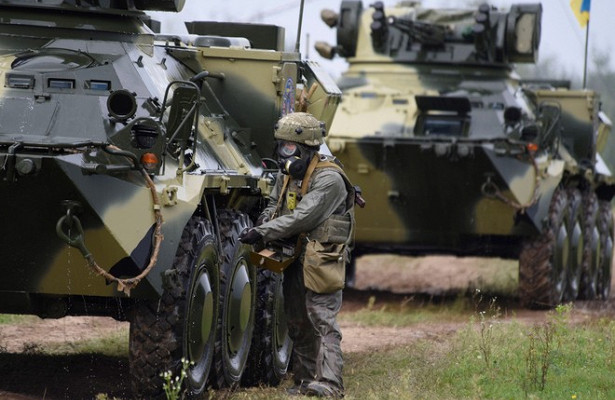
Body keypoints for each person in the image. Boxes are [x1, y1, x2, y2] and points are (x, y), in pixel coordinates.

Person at [239, 112, 356, 398]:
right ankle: (305, 380)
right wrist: (264, 224)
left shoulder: (329, 179)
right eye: (281, 146)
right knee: (297, 319)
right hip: (296, 255)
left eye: (289, 148)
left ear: (307, 149)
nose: (283, 154)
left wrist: (264, 233)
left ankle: (330, 383)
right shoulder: (289, 175)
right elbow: (274, 206)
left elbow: (303, 217)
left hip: (323, 256)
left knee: (321, 318)